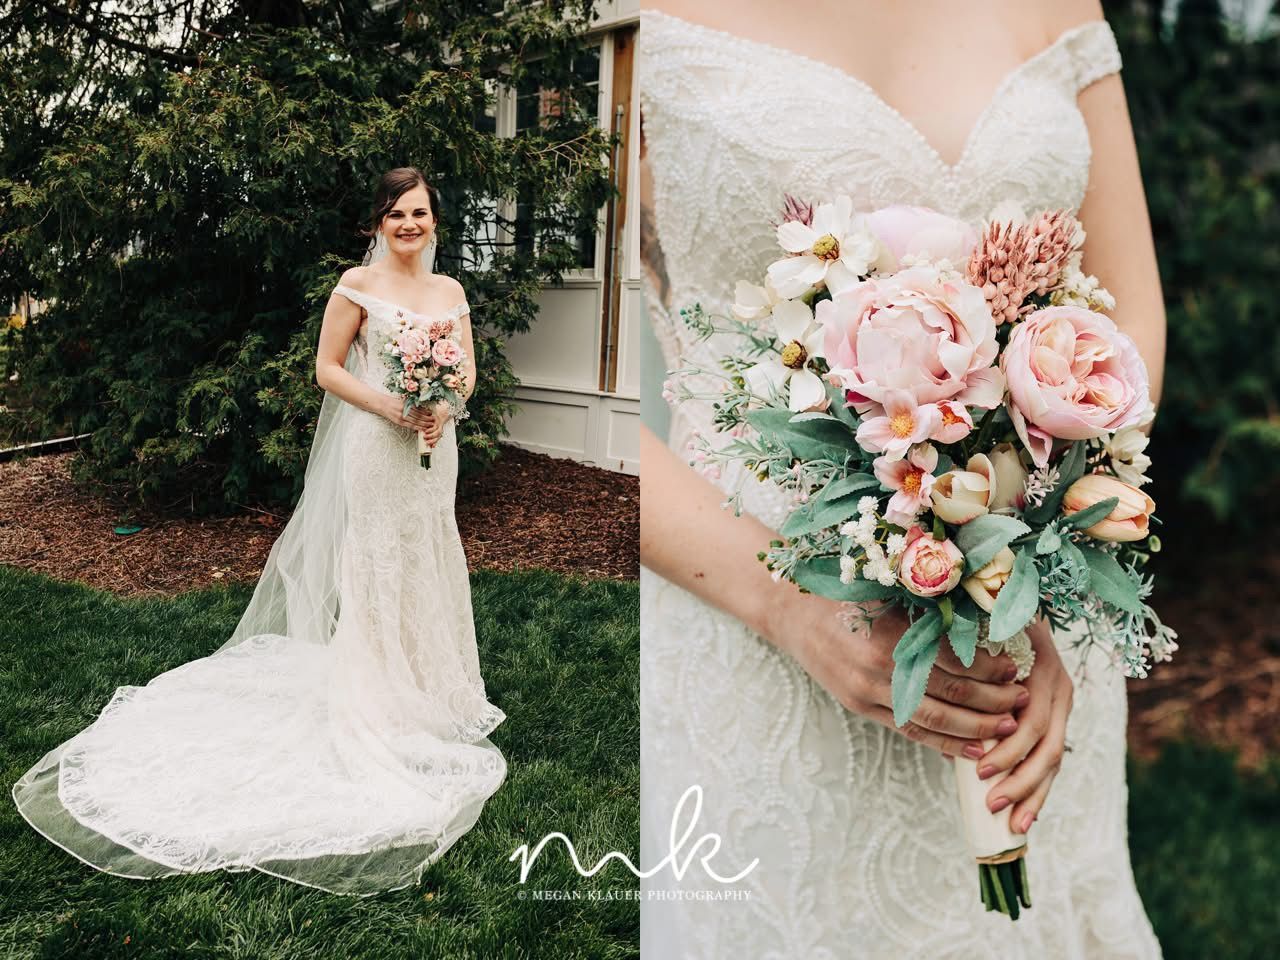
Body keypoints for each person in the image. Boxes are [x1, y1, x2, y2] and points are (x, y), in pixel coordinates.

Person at [637, 1, 1166, 955]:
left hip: (1031, 648)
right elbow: (542, 373)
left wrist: (1034, 576)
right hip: (750, 616)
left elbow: (1130, 312)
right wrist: (789, 606)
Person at [12, 166, 507, 896]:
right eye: (396, 213)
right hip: (378, 445)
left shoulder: (450, 291)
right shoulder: (356, 284)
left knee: (427, 551)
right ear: (378, 223)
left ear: (435, 221)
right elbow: (327, 370)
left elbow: (465, 375)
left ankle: (431, 685)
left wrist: (443, 406)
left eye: (420, 213)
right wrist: (393, 406)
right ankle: (378, 698)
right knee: (377, 558)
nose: (409, 224)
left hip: (436, 448)